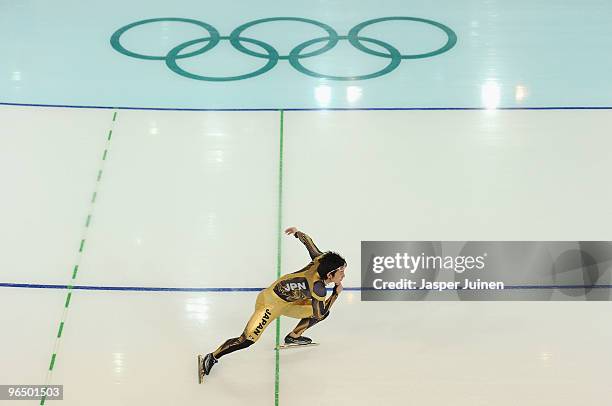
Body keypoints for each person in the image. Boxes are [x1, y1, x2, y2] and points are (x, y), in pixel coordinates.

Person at [198, 227, 346, 382]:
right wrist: (335, 295)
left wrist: (297, 233)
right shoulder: (319, 288)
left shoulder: (320, 259)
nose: (343, 275)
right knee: (246, 340)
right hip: (269, 303)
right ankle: (212, 356)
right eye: (341, 273)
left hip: (290, 302)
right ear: (330, 275)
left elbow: (308, 242)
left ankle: (293, 336)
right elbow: (319, 315)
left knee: (323, 309)